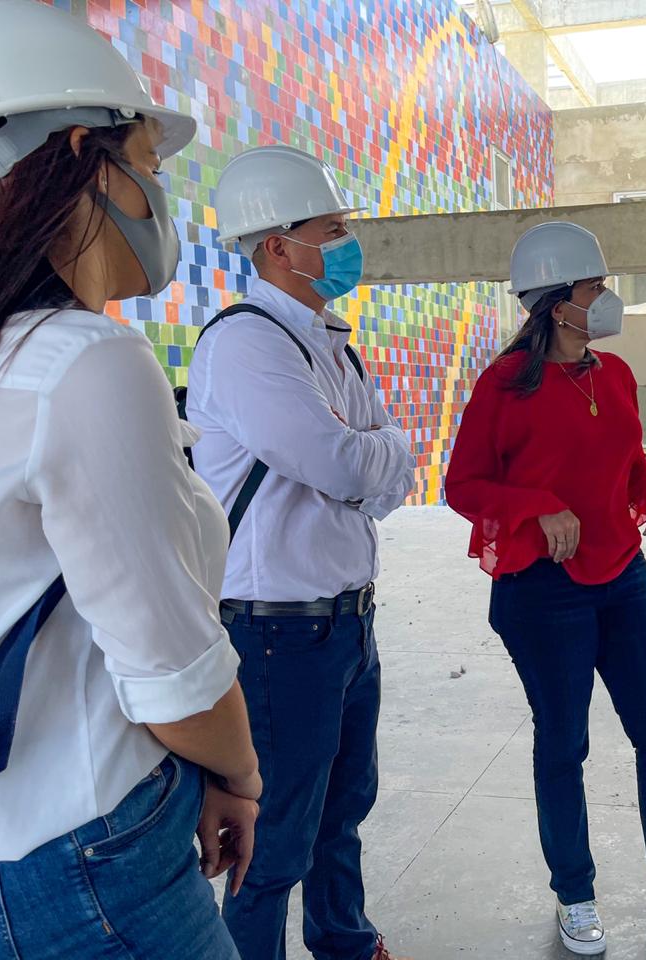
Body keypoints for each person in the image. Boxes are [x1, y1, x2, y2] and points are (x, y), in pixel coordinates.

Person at [0, 1, 260, 957]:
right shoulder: (83, 364)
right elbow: (176, 680)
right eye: (153, 165)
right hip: (85, 867)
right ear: (86, 151)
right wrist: (237, 775)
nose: (162, 197)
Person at [444, 221, 646, 957]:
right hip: (543, 592)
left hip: (623, 577)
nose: (606, 300)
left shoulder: (611, 376)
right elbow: (463, 485)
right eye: (593, 289)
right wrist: (534, 508)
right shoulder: (502, 386)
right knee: (564, 743)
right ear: (556, 304)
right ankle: (573, 892)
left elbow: (631, 464)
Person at [190, 144, 416, 960]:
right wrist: (366, 452)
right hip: (278, 633)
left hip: (348, 626)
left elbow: (390, 470)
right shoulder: (246, 344)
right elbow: (340, 461)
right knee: (274, 837)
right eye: (334, 229)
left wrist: (367, 453)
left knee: (343, 808)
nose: (348, 242)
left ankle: (345, 942)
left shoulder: (332, 343)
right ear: (279, 247)